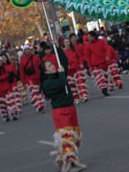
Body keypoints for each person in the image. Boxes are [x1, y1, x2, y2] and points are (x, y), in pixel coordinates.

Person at [40, 40, 87, 172]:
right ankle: (69, 165)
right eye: (49, 66)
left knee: (76, 137)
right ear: (45, 71)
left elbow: (64, 61)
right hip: (60, 111)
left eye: (52, 64)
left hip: (70, 108)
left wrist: (57, 47)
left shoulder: (59, 75)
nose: (53, 66)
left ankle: (62, 159)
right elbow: (61, 83)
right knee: (68, 137)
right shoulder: (48, 83)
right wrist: (61, 73)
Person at [84, 32, 113, 96]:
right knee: (99, 78)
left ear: (94, 37)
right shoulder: (88, 45)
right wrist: (90, 67)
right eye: (88, 37)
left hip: (104, 63)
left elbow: (107, 49)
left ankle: (105, 89)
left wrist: (108, 56)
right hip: (95, 65)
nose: (88, 38)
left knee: (105, 78)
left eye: (90, 37)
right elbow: (88, 56)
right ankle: (102, 88)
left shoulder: (101, 41)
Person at [0, 55, 17, 121]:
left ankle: (13, 114)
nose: (1, 63)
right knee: (3, 104)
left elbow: (11, 72)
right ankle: (6, 116)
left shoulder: (5, 67)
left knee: (11, 101)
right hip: (0, 90)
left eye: (1, 61)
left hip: (7, 87)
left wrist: (10, 74)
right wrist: (7, 75)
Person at [19, 44, 45, 113]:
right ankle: (40, 106)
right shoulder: (22, 60)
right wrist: (23, 83)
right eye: (26, 50)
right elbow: (21, 72)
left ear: (31, 50)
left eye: (28, 49)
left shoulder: (36, 57)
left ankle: (39, 104)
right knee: (34, 93)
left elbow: (41, 67)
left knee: (40, 93)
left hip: (38, 78)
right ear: (24, 51)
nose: (27, 51)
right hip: (29, 80)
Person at [62, 38, 81, 104]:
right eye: (65, 42)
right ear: (63, 44)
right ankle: (76, 98)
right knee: (71, 85)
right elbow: (61, 61)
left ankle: (84, 95)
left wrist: (80, 64)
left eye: (68, 42)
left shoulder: (74, 49)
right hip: (68, 71)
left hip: (76, 68)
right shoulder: (62, 52)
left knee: (80, 82)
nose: (67, 43)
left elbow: (79, 57)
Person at [70, 34, 88, 102]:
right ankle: (78, 96)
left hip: (81, 65)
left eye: (75, 37)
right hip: (73, 67)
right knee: (75, 82)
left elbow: (84, 54)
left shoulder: (80, 45)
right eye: (72, 38)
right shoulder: (70, 48)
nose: (74, 39)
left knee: (82, 81)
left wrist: (82, 61)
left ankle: (84, 94)